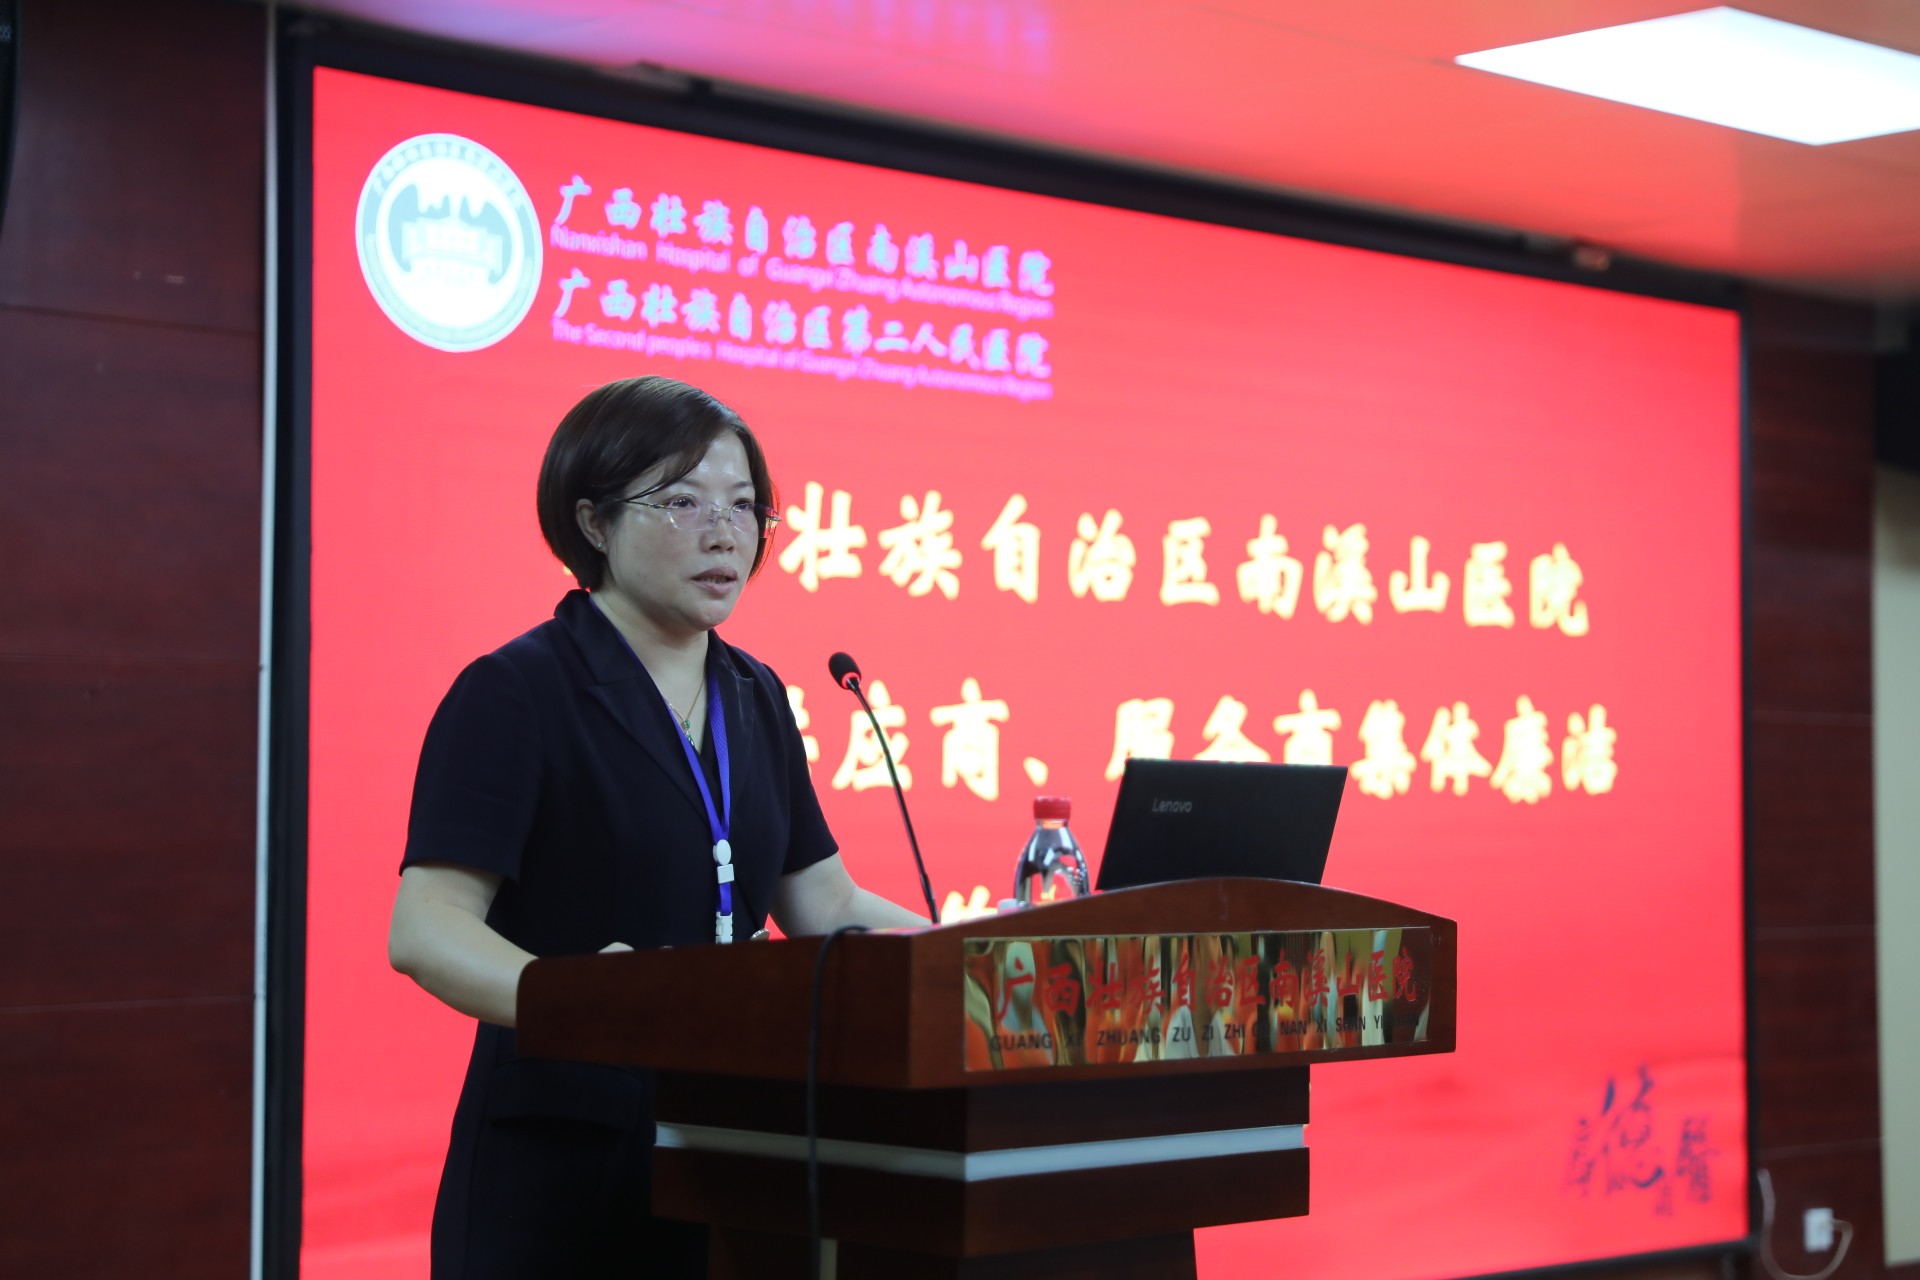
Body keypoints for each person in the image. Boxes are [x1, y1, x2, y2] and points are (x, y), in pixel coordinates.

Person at [388, 375, 925, 1279]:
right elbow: (426, 928)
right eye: (682, 502)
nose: (724, 532)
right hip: (562, 1164)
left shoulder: (756, 695)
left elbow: (824, 905)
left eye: (744, 506)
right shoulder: (518, 692)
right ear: (593, 523)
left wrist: (976, 958)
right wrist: (581, 1001)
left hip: (728, 1143)